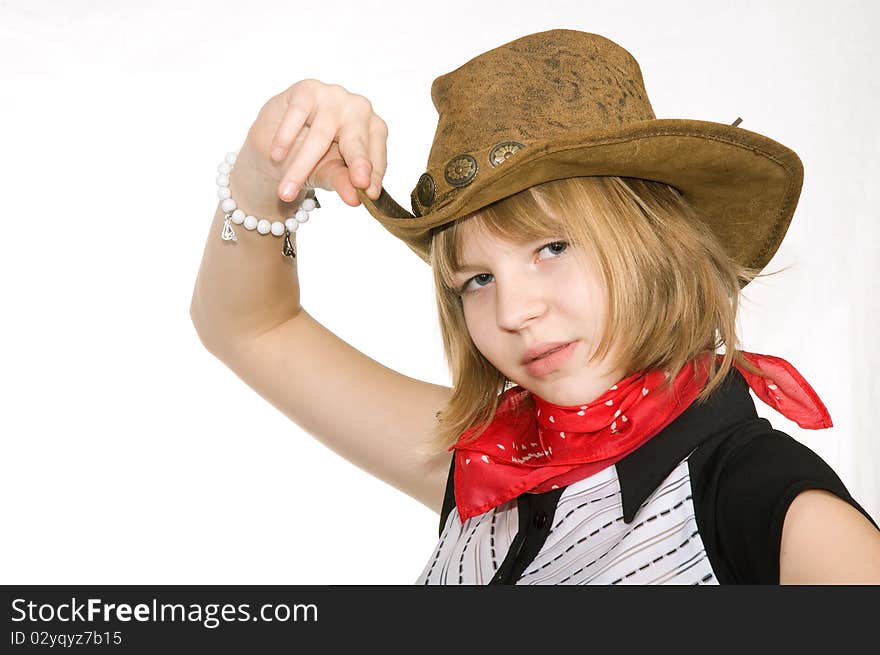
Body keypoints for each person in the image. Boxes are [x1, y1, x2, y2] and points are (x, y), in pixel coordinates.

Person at [190, 29, 880, 584]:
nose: (514, 310)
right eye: (476, 280)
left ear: (653, 240)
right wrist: (268, 167)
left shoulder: (771, 506)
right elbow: (250, 326)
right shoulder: (490, 460)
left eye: (551, 247)